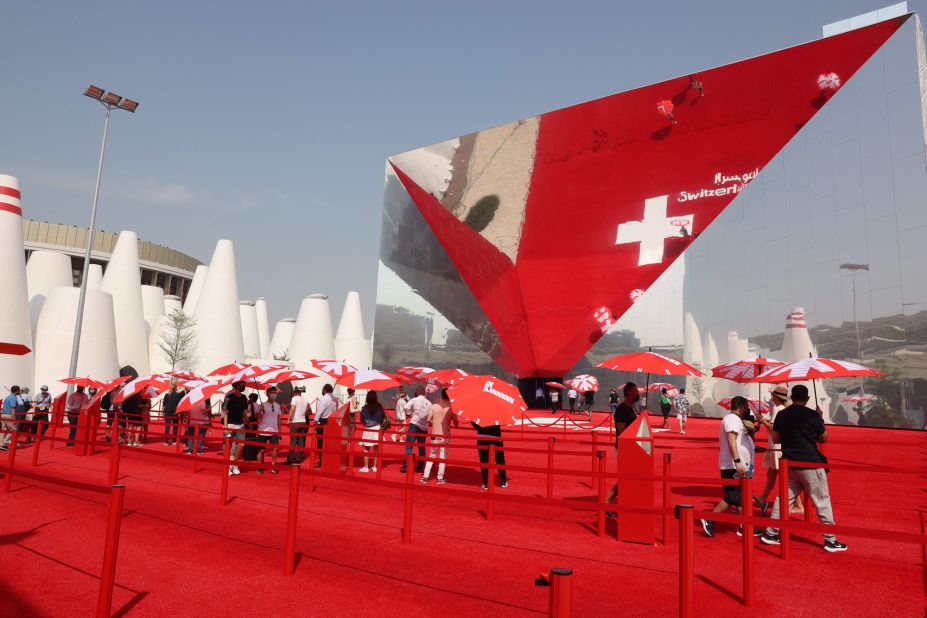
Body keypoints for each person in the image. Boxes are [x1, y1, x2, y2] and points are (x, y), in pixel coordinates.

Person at [761, 385, 847, 552]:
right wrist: (820, 418)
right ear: (807, 399)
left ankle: (771, 532)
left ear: (791, 397)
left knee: (783, 499)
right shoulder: (812, 415)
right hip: (810, 462)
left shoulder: (782, 414)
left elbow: (777, 438)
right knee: (822, 500)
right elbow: (824, 438)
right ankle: (830, 539)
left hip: (789, 463)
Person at [699, 396, 761, 537]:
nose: (748, 410)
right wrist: (737, 460)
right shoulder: (732, 419)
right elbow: (731, 439)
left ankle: (744, 526)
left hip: (737, 464)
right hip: (732, 465)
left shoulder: (736, 419)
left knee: (740, 497)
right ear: (741, 407)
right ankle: (710, 519)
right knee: (733, 496)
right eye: (746, 407)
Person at [604, 382, 639, 516]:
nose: (637, 394)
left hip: (632, 448)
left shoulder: (631, 409)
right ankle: (606, 503)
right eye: (635, 391)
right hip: (624, 448)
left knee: (628, 479)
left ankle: (618, 504)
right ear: (629, 393)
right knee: (625, 480)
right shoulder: (621, 409)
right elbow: (622, 431)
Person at [421, 388, 458, 484]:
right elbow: (456, 423)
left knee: (431, 456)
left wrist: (435, 423)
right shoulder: (452, 407)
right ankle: (440, 478)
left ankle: (425, 477)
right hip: (445, 436)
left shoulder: (434, 406)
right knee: (443, 457)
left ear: (441, 395)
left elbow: (428, 419)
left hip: (434, 435)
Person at [400, 386, 431, 473]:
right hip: (424, 427)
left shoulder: (414, 400)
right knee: (421, 447)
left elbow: (406, 407)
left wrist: (410, 414)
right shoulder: (429, 403)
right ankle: (420, 467)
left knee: (409, 446)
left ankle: (406, 466)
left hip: (414, 424)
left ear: (416, 393)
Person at [222, 381, 248, 474]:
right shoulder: (229, 397)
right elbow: (225, 412)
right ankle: (228, 465)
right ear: (235, 386)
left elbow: (244, 411)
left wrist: (247, 419)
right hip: (230, 424)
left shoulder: (244, 397)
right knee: (227, 446)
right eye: (241, 385)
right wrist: (225, 427)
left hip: (240, 424)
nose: (243, 386)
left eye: (244, 385)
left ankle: (235, 464)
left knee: (242, 444)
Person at [473, 421, 507, 489]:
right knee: (500, 459)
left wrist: (480, 428)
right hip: (496, 436)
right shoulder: (497, 411)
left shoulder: (477, 411)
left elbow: (474, 423)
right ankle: (503, 482)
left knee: (484, 460)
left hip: (482, 437)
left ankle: (486, 483)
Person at [255, 386, 281, 474]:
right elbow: (258, 417)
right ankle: (260, 467)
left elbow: (278, 419)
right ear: (267, 394)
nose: (274, 394)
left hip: (274, 431)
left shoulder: (278, 405)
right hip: (263, 430)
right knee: (260, 450)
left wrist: (279, 430)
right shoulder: (263, 405)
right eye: (271, 392)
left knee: (276, 449)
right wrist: (261, 411)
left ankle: (273, 465)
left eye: (275, 392)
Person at [358, 390, 385, 472]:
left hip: (368, 429)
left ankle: (366, 467)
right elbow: (383, 417)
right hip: (377, 428)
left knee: (366, 448)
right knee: (376, 449)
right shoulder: (379, 406)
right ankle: (374, 467)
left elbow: (361, 419)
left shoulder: (365, 408)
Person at [313, 384, 338, 467]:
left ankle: (322, 462)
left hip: (323, 421)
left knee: (320, 442)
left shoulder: (323, 399)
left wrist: (315, 421)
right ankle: (330, 460)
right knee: (330, 442)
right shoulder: (335, 399)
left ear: (324, 390)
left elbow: (319, 411)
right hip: (332, 421)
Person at [286, 386, 310, 465]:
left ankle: (289, 459)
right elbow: (308, 412)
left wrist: (288, 419)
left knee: (293, 441)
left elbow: (292, 408)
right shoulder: (305, 400)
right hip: (303, 422)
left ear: (295, 393)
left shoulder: (294, 398)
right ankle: (299, 458)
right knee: (301, 440)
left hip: (296, 421)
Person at [1, 386, 25, 451]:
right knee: (13, 430)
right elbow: (13, 409)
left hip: (3, 415)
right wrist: (14, 419)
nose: (19, 391)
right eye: (19, 390)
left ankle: (1, 444)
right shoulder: (13, 398)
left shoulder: (8, 397)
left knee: (3, 430)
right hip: (9, 415)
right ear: (17, 391)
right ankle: (3, 444)